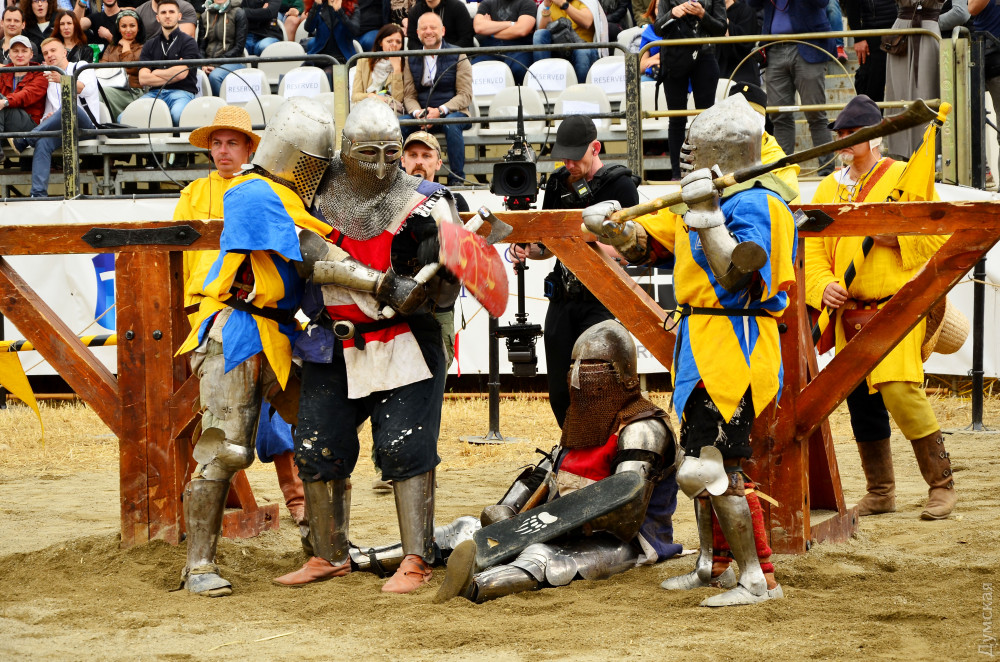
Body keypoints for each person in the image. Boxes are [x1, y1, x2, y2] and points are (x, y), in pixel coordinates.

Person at [582, 94, 795, 606]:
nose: (685, 154)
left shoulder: (761, 203)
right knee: (699, 461)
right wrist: (613, 226)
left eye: (694, 148)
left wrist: (707, 213)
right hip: (699, 343)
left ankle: (758, 577)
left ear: (721, 152)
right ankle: (712, 564)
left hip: (737, 344)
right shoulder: (695, 199)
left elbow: (739, 276)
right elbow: (646, 244)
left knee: (715, 466)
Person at [272, 97, 462, 594]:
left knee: (404, 446)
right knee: (317, 444)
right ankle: (329, 555)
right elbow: (300, 254)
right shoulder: (314, 193)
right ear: (345, 150)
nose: (381, 166)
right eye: (368, 154)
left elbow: (448, 291)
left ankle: (416, 559)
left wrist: (439, 268)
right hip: (332, 340)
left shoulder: (429, 200)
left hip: (406, 339)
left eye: (391, 153)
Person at [175, 97, 337, 597]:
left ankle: (325, 549)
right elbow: (308, 251)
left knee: (322, 437)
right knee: (226, 448)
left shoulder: (288, 196)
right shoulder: (250, 192)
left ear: (253, 147)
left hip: (283, 332)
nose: (224, 150)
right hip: (236, 328)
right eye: (217, 143)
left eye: (233, 142)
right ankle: (198, 565)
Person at [435, 320, 683, 603]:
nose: (578, 376)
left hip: (623, 542)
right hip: (554, 525)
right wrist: (509, 509)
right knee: (465, 528)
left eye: (591, 367)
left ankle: (473, 587)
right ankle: (401, 558)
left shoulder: (643, 429)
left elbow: (624, 515)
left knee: (541, 556)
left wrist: (547, 526)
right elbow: (546, 472)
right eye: (574, 365)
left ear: (622, 372)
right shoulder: (583, 422)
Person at [803, 94, 957, 520]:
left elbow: (936, 232)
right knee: (860, 400)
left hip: (896, 306)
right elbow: (812, 251)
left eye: (852, 133)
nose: (843, 139)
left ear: (874, 138)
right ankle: (881, 491)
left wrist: (899, 238)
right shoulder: (828, 188)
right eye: (840, 133)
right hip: (847, 311)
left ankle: (942, 485)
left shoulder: (905, 176)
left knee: (900, 390)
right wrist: (823, 287)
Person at [512, 115, 639, 428]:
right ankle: (571, 445)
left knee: (599, 384)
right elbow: (547, 247)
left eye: (575, 157)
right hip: (563, 298)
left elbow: (630, 250)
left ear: (595, 148)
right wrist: (526, 249)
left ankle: (602, 447)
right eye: (563, 157)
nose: (569, 164)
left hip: (602, 298)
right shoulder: (557, 183)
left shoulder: (621, 185)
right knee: (559, 389)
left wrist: (583, 243)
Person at [747, 0, 836, 176]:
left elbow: (822, 3)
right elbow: (752, 3)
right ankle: (782, 173)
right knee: (779, 116)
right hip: (774, 48)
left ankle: (826, 172)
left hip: (809, 45)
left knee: (816, 113)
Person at [9, 37, 97, 196]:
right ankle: (38, 194)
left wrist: (63, 80)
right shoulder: (49, 79)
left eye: (53, 50)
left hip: (86, 127)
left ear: (64, 52)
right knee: (43, 142)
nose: (49, 55)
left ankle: (26, 139)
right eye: (45, 53)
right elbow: (46, 113)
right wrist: (48, 117)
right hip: (62, 129)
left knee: (69, 108)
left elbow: (86, 89)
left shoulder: (81, 66)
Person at [883, 0, 969, 160]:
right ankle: (901, 158)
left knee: (927, 93)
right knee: (900, 95)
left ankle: (927, 154)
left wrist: (930, 21)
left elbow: (962, 13)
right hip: (900, 37)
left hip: (928, 32)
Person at [654, 0, 728, 179]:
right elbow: (657, 29)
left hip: (705, 54)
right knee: (676, 119)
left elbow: (721, 29)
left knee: (706, 119)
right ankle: (677, 174)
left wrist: (702, 14)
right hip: (674, 56)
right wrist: (672, 13)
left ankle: (707, 172)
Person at [400, 11, 472, 186]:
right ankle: (401, 180)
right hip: (422, 114)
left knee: (451, 124)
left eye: (433, 27)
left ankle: (456, 180)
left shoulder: (459, 55)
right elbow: (409, 95)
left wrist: (440, 111)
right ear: (417, 33)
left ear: (443, 31)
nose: (428, 31)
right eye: (424, 28)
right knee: (398, 125)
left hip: (452, 112)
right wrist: (418, 113)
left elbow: (465, 95)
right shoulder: (411, 57)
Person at [136, 0, 200, 125]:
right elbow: (143, 79)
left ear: (179, 16)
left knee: (177, 115)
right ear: (158, 18)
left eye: (171, 12)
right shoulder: (149, 45)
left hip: (182, 92)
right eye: (163, 12)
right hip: (155, 93)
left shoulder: (189, 42)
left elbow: (182, 74)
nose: (167, 16)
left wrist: (155, 72)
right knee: (124, 117)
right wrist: (173, 72)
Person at [532, 0, 607, 85]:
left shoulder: (585, 1)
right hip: (559, 49)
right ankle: (542, 83)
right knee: (540, 34)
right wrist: (547, 8)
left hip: (585, 49)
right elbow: (542, 34)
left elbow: (587, 22)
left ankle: (581, 90)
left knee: (581, 51)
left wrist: (564, 4)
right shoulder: (551, 3)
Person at [0, 35, 45, 166]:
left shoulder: (40, 73)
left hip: (30, 124)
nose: (20, 55)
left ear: (31, 54)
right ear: (9, 54)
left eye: (24, 51)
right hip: (5, 124)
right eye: (15, 51)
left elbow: (27, 95)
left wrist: (5, 102)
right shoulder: (3, 73)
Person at [472, 0, 536, 85]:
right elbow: (479, 27)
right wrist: (511, 24)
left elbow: (521, 30)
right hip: (490, 50)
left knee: (518, 69)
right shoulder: (487, 3)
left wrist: (490, 30)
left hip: (518, 49)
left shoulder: (527, 3)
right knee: (473, 69)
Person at [843, 0, 895, 103]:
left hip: (897, 30)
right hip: (872, 33)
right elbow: (851, 5)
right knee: (871, 88)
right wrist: (858, 38)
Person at [96, 7, 143, 118]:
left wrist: (126, 45)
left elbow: (129, 67)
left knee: (100, 94)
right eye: (124, 26)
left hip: (132, 91)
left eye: (132, 26)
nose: (128, 30)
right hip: (109, 86)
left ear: (138, 28)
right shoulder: (111, 47)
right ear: (118, 29)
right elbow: (102, 68)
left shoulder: (144, 47)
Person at [971, 0, 1000, 179]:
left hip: (989, 54)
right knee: (971, 121)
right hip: (984, 55)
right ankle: (983, 175)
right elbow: (972, 8)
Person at [351, 22, 404, 114]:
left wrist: (397, 70)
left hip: (390, 112)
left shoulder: (405, 64)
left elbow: (398, 99)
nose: (394, 45)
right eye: (389, 41)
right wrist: (372, 96)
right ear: (380, 42)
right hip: (367, 109)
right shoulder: (363, 61)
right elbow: (355, 96)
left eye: (398, 42)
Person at [198, 0, 248, 96]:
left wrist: (215, 64)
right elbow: (201, 47)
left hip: (233, 61)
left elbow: (239, 47)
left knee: (215, 76)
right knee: (192, 73)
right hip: (208, 62)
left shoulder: (238, 13)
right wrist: (203, 63)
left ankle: (221, 104)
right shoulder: (205, 15)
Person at [717, 0, 761, 85]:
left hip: (742, 72)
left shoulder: (746, 11)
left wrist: (725, 22)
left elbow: (746, 43)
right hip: (717, 70)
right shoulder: (709, 14)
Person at [303, 0, 359, 65]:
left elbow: (354, 31)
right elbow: (309, 28)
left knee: (328, 71)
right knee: (302, 70)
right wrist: (316, 6)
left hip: (341, 58)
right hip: (319, 57)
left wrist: (339, 11)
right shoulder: (320, 7)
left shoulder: (352, 8)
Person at [406, 0, 474, 48]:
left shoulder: (457, 7)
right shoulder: (415, 11)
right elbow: (412, 42)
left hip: (454, 58)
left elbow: (466, 39)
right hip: (424, 58)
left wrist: (447, 53)